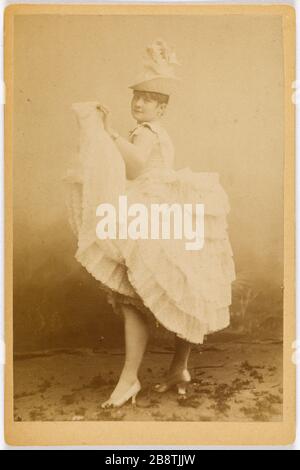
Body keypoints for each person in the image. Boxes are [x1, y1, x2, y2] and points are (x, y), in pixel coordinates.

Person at [65, 39, 236, 409]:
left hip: (153, 214)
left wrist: (107, 133)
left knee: (137, 296)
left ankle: (133, 379)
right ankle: (178, 367)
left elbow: (138, 167)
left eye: (148, 98)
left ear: (162, 107)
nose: (139, 103)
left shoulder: (145, 132)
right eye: (136, 97)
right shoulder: (150, 131)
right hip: (160, 209)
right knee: (180, 289)